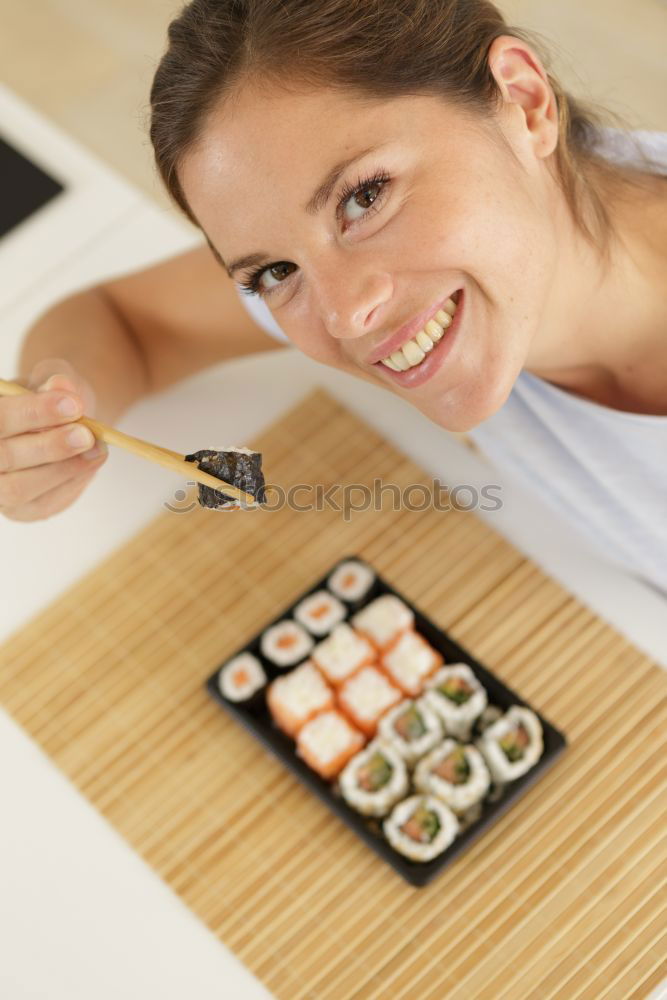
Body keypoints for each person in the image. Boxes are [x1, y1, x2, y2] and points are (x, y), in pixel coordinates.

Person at [3, 0, 667, 592]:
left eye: (364, 196)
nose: (344, 314)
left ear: (523, 102)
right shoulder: (516, 254)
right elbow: (121, 322)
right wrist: (53, 419)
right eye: (274, 273)